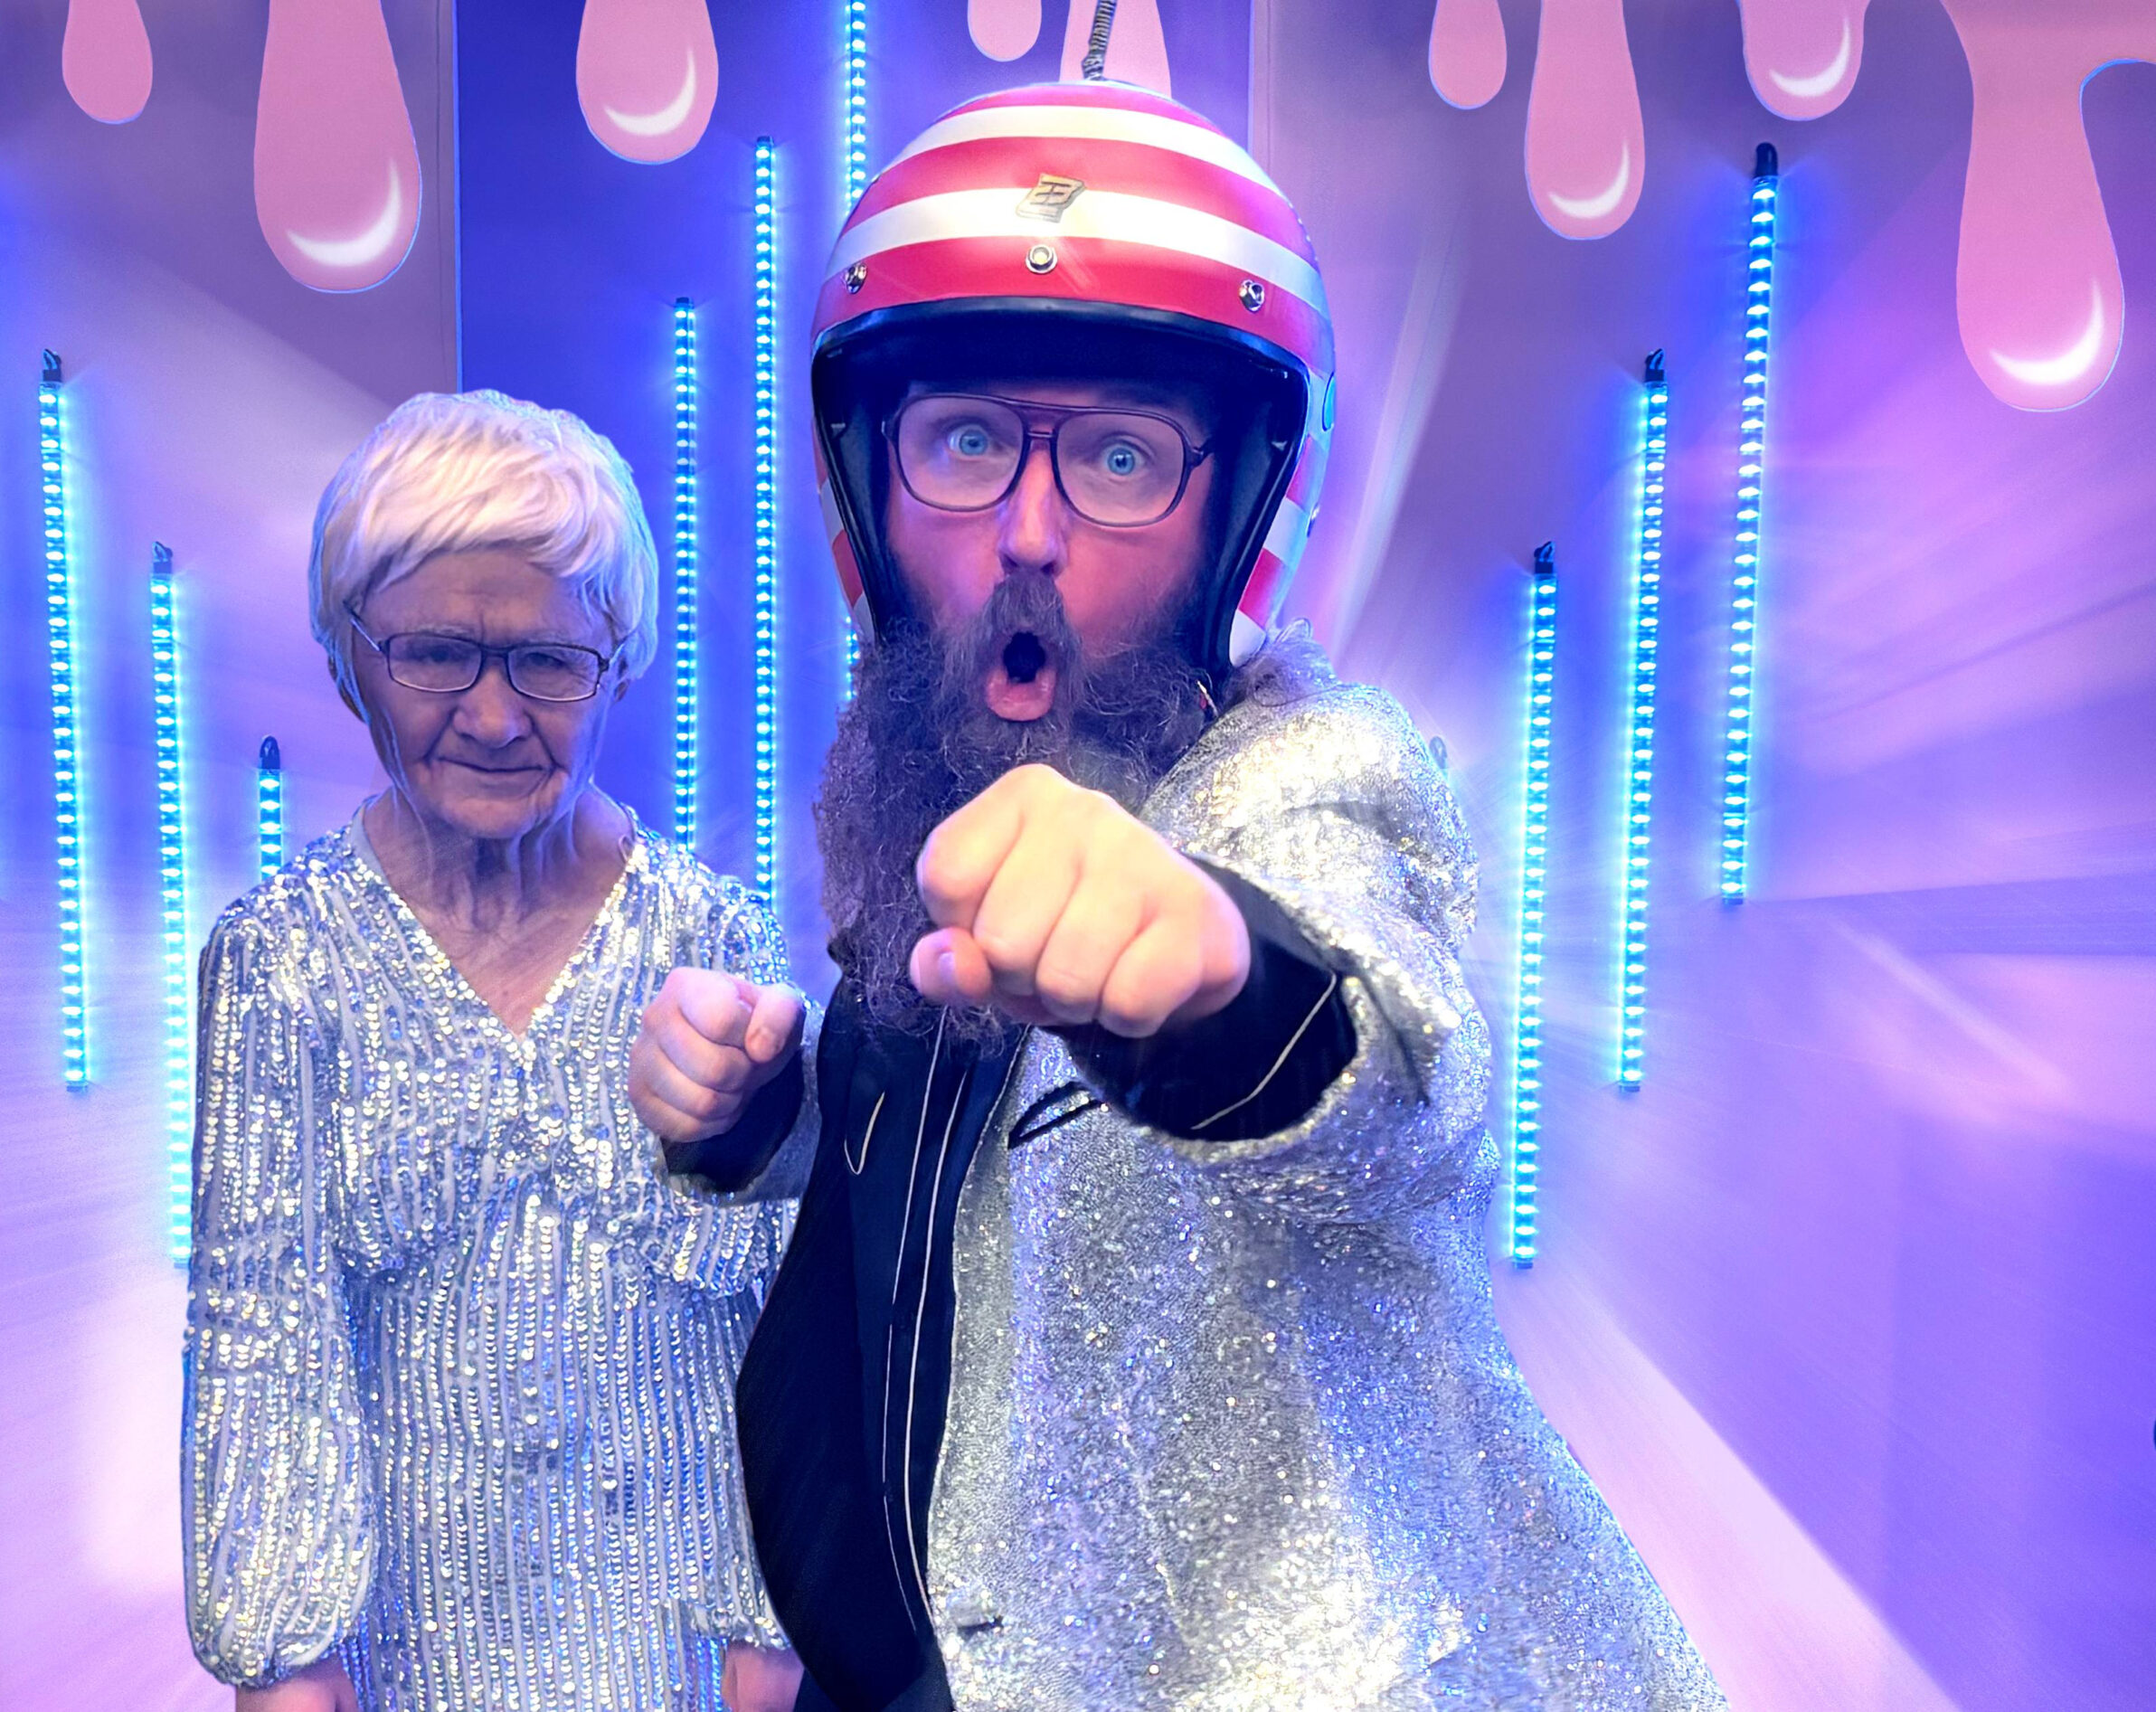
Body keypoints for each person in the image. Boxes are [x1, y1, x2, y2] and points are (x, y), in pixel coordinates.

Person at [629, 79, 1726, 1710]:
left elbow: (1396, 1074)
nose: (1027, 531)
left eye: (1123, 455)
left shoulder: (1309, 786)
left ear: (1241, 512)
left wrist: (1220, 992)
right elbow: (964, 1188)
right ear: (872, 483)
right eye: (966, 439)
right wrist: (762, 1115)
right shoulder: (925, 784)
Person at [183, 391, 806, 1712]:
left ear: (617, 665)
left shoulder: (714, 936)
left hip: (684, 1667)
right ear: (349, 659)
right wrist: (284, 1668)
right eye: (435, 654)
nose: (492, 714)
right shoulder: (278, 960)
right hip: (410, 1667)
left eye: (547, 661)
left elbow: (772, 1321)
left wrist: (772, 1634)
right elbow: (259, 1339)